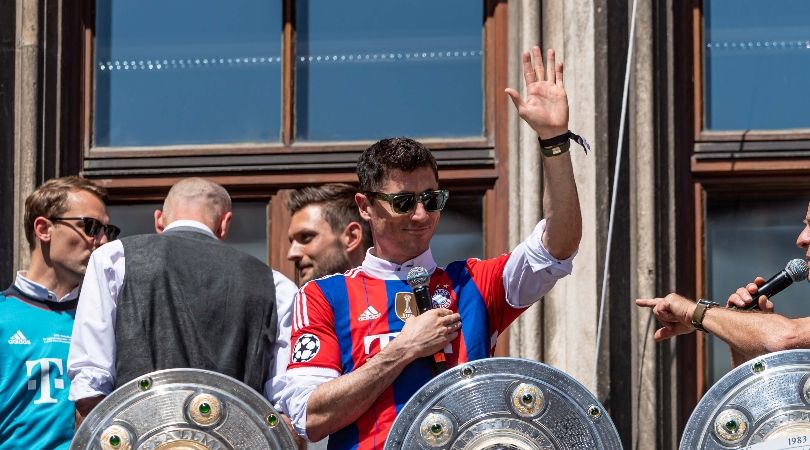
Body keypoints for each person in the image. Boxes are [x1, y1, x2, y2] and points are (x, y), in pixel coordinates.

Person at [279, 46, 583, 447]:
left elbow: (558, 244)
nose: (421, 216)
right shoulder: (324, 296)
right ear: (365, 207)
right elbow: (310, 417)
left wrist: (554, 141)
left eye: (433, 200)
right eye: (403, 203)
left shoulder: (472, 282)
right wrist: (403, 349)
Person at [67, 177, 298, 426]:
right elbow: (284, 409)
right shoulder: (276, 285)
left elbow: (90, 384)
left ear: (159, 220)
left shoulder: (112, 259)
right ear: (225, 223)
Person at [0, 176, 116, 449]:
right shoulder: (3, 315)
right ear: (44, 229)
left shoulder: (109, 320)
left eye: (107, 231)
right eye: (90, 227)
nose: (101, 242)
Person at [636, 201, 810, 367]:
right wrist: (746, 329)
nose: (801, 238)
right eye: (805, 225)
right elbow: (753, 391)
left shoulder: (790, 335)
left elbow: (786, 338)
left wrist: (694, 313)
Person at [287, 183, 372, 284]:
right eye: (292, 242)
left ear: (352, 237)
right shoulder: (296, 298)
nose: (291, 254)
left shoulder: (392, 297)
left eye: (305, 237)